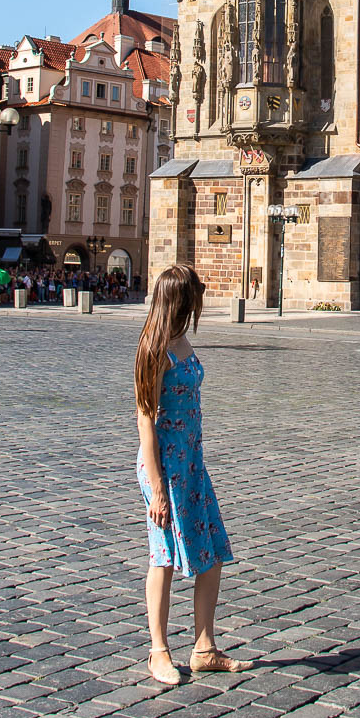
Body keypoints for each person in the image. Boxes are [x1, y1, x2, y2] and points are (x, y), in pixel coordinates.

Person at [135, 264, 249, 687]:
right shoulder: (152, 349)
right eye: (196, 293)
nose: (201, 298)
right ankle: (158, 651)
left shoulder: (182, 340)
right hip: (164, 467)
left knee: (213, 553)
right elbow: (145, 422)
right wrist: (158, 489)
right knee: (163, 557)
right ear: (179, 299)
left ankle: (204, 647)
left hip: (193, 463)